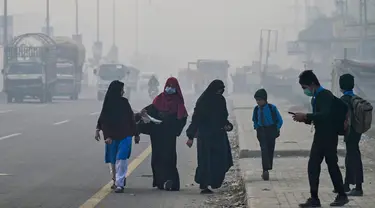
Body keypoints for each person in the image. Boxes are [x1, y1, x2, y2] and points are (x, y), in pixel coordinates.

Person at [293, 70, 349, 207]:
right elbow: (319, 117)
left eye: (304, 87)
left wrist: (306, 116)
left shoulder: (324, 95)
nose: (304, 90)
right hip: (322, 135)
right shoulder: (317, 96)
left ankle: (334, 196)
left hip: (328, 136)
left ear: (312, 84)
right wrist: (304, 119)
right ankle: (321, 198)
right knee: (321, 165)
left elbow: (324, 115)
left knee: (322, 166)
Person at [186, 79, 234, 194]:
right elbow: (196, 118)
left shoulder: (220, 99)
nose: (220, 92)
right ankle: (204, 184)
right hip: (205, 135)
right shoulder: (203, 101)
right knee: (205, 161)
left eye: (221, 90)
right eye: (218, 90)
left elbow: (223, 117)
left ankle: (215, 182)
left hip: (218, 134)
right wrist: (191, 136)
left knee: (221, 160)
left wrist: (228, 125)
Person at [141, 77, 188, 191]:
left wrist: (173, 127)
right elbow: (150, 110)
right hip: (157, 134)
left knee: (169, 157)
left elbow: (182, 118)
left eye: (172, 86)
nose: (169, 88)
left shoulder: (178, 102)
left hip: (169, 134)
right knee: (157, 157)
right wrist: (144, 114)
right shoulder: (159, 98)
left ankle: (171, 181)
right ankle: (159, 181)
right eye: (168, 86)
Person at [95, 80, 140, 193]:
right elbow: (103, 119)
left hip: (125, 135)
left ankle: (120, 184)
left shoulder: (124, 103)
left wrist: (136, 134)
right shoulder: (108, 104)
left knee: (122, 159)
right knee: (113, 160)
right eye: (121, 89)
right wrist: (100, 131)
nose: (123, 92)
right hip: (111, 136)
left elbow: (131, 119)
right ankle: (115, 179)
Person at [338, 74, 364, 196]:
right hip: (357, 131)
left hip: (350, 132)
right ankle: (347, 184)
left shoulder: (344, 100)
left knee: (354, 157)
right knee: (351, 156)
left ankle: (358, 187)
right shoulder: (356, 98)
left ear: (340, 86)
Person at [252, 88, 283, 181]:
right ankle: (265, 170)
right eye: (256, 100)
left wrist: (276, 128)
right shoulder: (256, 109)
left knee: (270, 149)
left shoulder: (272, 108)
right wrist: (256, 127)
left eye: (259, 100)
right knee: (264, 149)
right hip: (261, 130)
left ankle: (268, 167)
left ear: (265, 99)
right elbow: (254, 119)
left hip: (271, 130)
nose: (258, 102)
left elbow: (280, 120)